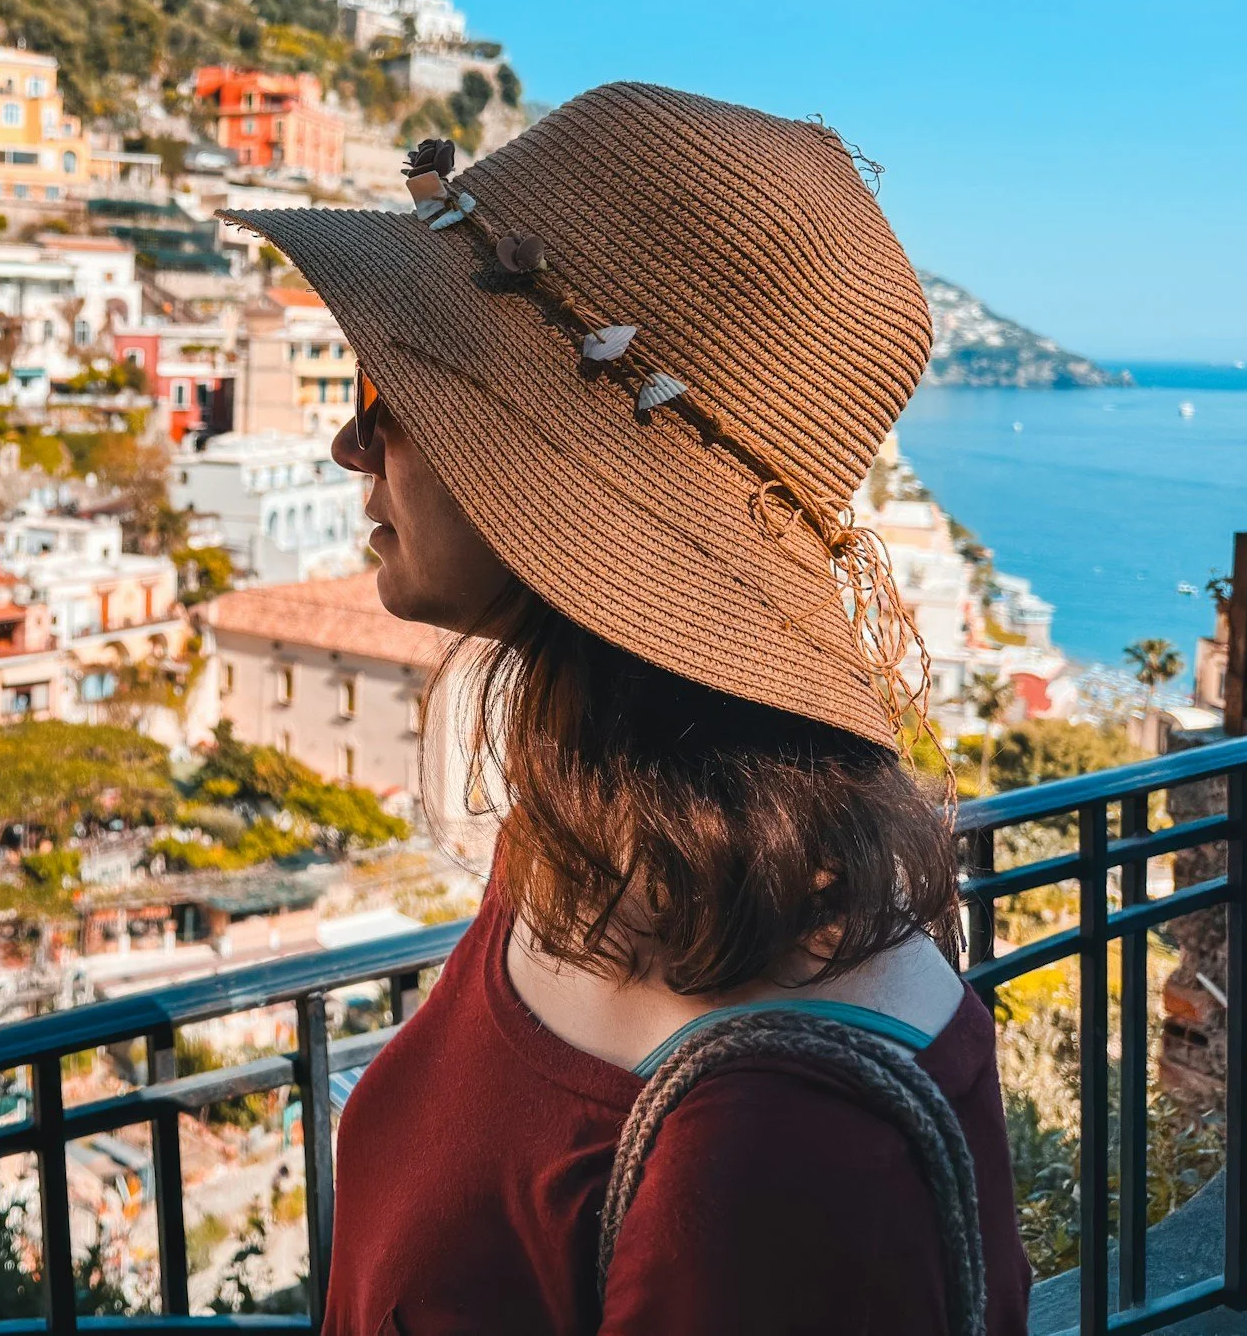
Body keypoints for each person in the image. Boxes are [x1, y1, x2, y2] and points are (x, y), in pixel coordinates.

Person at [227, 83, 1030, 1334]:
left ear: (557, 462)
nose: (347, 444)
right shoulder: (577, 850)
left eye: (393, 392)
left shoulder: (781, 1151)